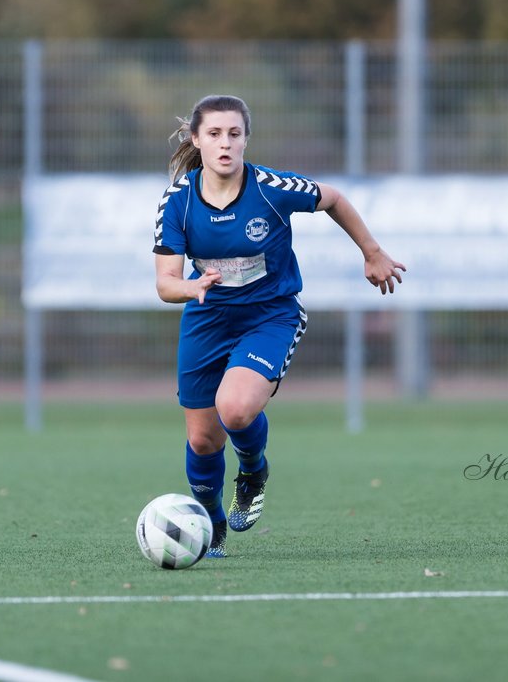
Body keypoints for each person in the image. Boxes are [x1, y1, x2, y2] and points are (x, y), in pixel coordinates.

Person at [153, 94, 406, 557]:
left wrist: (371, 252)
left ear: (247, 138)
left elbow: (333, 198)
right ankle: (209, 523)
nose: (225, 143)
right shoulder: (178, 200)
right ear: (196, 139)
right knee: (202, 438)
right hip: (207, 319)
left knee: (234, 409)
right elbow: (166, 284)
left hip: (270, 316)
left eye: (234, 133)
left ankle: (252, 471)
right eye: (214, 134)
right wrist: (192, 288)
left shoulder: (271, 187)